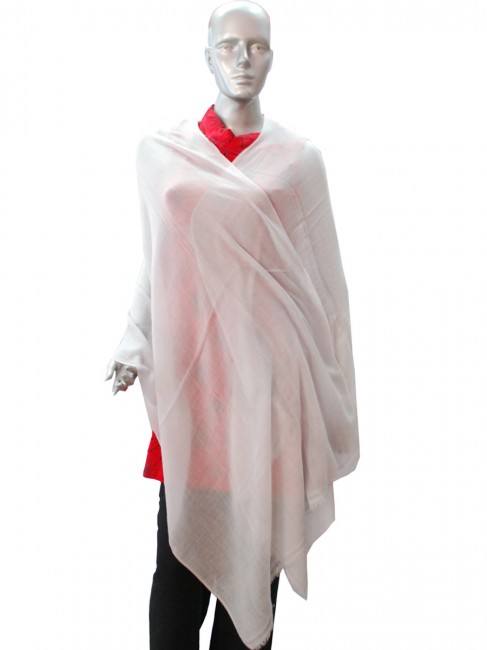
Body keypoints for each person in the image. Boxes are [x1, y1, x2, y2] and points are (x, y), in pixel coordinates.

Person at [105, 2, 360, 649]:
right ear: (207, 55)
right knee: (175, 578)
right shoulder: (166, 154)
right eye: (229, 46)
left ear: (273, 57)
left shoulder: (296, 162)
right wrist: (134, 339)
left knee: (254, 580)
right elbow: (157, 259)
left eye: (258, 47)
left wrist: (324, 384)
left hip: (264, 401)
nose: (243, 59)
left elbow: (322, 286)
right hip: (193, 395)